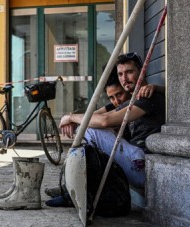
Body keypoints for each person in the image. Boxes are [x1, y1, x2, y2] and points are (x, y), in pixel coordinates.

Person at [59, 52, 165, 190]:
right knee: (88, 127)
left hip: (145, 168)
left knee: (91, 130)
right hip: (135, 161)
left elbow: (105, 120)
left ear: (142, 72)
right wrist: (74, 119)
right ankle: (74, 187)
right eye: (120, 74)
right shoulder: (132, 100)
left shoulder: (149, 97)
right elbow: (99, 115)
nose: (124, 78)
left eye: (129, 72)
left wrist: (71, 118)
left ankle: (75, 187)